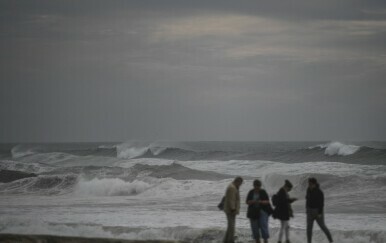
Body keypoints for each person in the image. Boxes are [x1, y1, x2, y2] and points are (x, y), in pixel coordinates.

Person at [306, 178, 333, 243]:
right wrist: (306, 209)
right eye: (309, 184)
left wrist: (320, 213)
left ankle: (331, 241)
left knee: (323, 227)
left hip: (317, 212)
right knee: (309, 229)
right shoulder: (308, 190)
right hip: (309, 211)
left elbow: (321, 204)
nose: (309, 185)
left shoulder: (319, 192)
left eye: (310, 184)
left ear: (314, 184)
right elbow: (307, 199)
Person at [223, 177, 243, 243]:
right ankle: (230, 241)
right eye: (240, 183)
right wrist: (233, 209)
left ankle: (225, 241)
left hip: (230, 210)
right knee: (231, 228)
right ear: (237, 182)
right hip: (230, 210)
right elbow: (231, 200)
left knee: (230, 227)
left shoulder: (233, 186)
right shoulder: (232, 188)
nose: (240, 185)